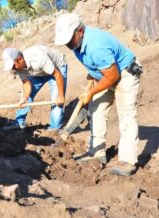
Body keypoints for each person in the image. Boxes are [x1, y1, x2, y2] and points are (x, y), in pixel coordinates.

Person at [54, 13, 143, 176]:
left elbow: (113, 76)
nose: (67, 44)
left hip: (125, 73)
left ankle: (128, 161)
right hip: (108, 74)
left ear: (79, 31)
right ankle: (96, 152)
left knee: (127, 116)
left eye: (69, 40)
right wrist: (92, 75)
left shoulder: (96, 44)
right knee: (95, 110)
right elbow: (97, 66)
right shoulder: (76, 45)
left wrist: (91, 92)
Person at [2, 45, 68, 131]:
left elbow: (57, 75)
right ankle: (19, 122)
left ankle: (54, 128)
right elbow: (26, 84)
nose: (13, 69)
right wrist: (24, 98)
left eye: (13, 66)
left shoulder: (38, 57)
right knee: (26, 97)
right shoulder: (19, 68)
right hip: (38, 72)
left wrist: (61, 95)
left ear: (20, 59)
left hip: (57, 67)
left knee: (57, 99)